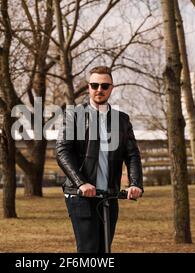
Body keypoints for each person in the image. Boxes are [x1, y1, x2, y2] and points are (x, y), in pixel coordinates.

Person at [56, 66, 144, 253]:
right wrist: (81, 183)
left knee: (104, 250)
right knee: (89, 250)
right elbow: (63, 152)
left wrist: (135, 183)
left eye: (105, 86)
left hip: (109, 195)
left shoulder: (122, 120)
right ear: (88, 87)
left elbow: (132, 155)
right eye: (94, 85)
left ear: (111, 88)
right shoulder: (74, 115)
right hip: (81, 195)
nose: (99, 89)